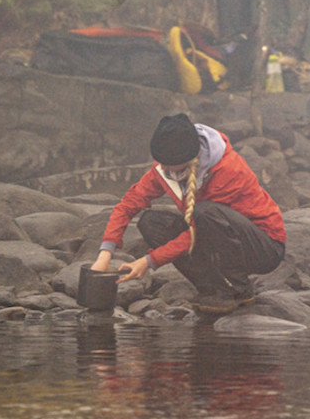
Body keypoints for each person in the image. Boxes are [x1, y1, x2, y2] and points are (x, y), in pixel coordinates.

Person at [90, 113, 286, 315]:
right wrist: (105, 253)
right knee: (151, 223)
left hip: (263, 246)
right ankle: (214, 288)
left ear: (187, 159)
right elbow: (128, 204)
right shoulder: (167, 168)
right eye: (159, 161)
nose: (161, 167)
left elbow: (196, 231)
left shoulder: (229, 170)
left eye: (166, 162)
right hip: (215, 234)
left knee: (205, 212)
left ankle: (239, 289)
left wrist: (148, 261)